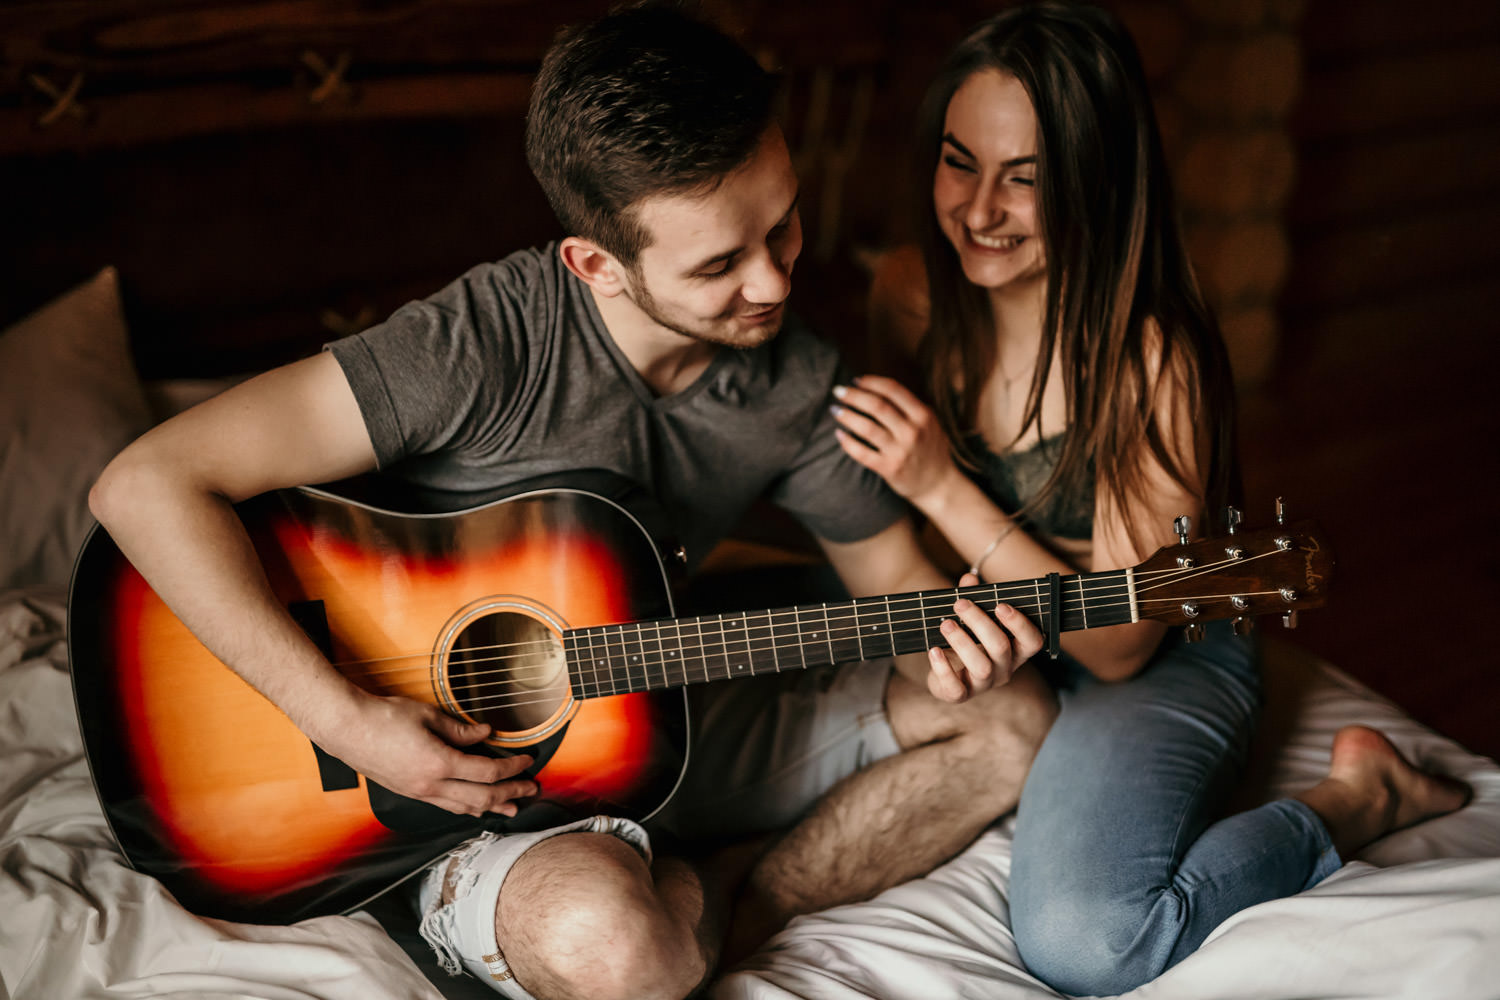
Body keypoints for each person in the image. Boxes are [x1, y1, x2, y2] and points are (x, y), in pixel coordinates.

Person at [88, 5, 1059, 1000]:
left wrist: (952, 638)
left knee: (1013, 720)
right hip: (450, 782)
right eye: (720, 264)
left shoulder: (798, 380)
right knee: (614, 949)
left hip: (665, 708)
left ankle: (735, 893)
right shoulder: (480, 344)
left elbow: (892, 583)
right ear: (595, 263)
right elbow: (143, 484)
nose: (774, 280)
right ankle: (652, 910)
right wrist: (345, 720)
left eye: (783, 224)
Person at [832, 3, 1471, 995]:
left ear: (1096, 183)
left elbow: (1118, 641)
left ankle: (1357, 798)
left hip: (1153, 652)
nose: (977, 209)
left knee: (1090, 939)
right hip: (1001, 626)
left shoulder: (1151, 359)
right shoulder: (913, 294)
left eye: (1026, 179)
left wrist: (940, 483)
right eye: (960, 162)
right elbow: (894, 528)